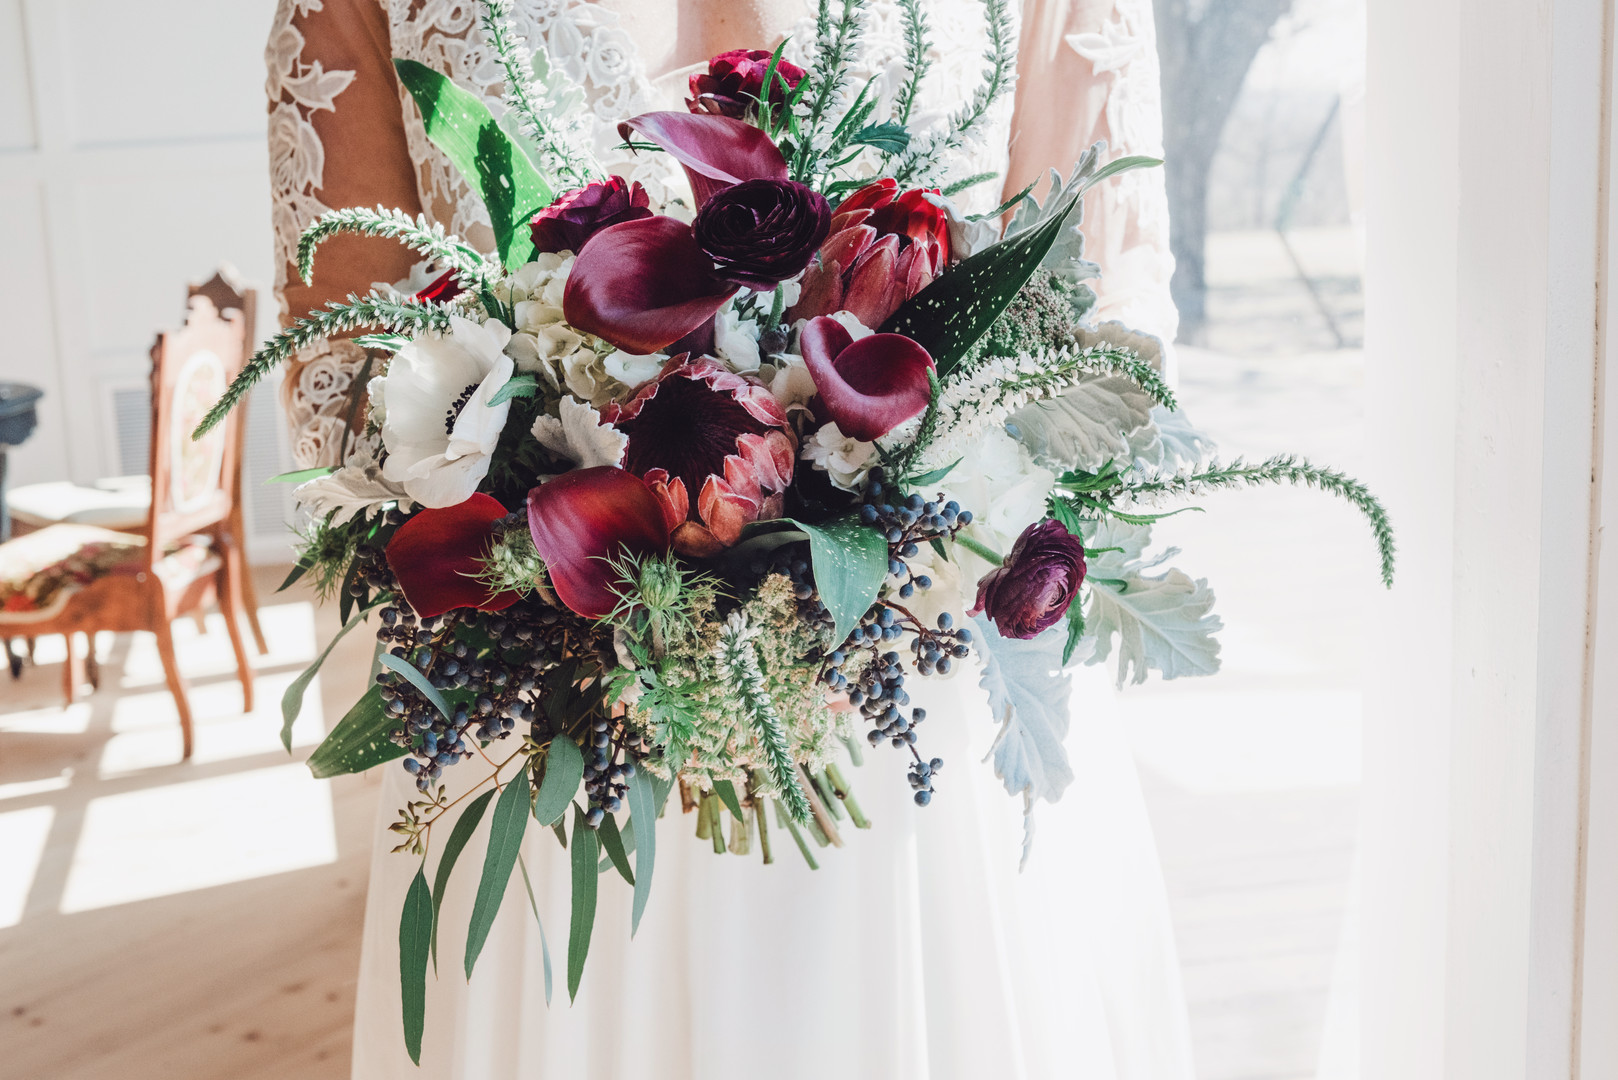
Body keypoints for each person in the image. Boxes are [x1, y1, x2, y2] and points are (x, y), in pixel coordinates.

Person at [267, 2, 1192, 1076]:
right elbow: (338, 379)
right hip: (563, 730)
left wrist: (864, 522)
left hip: (922, 699)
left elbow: (1108, 322)